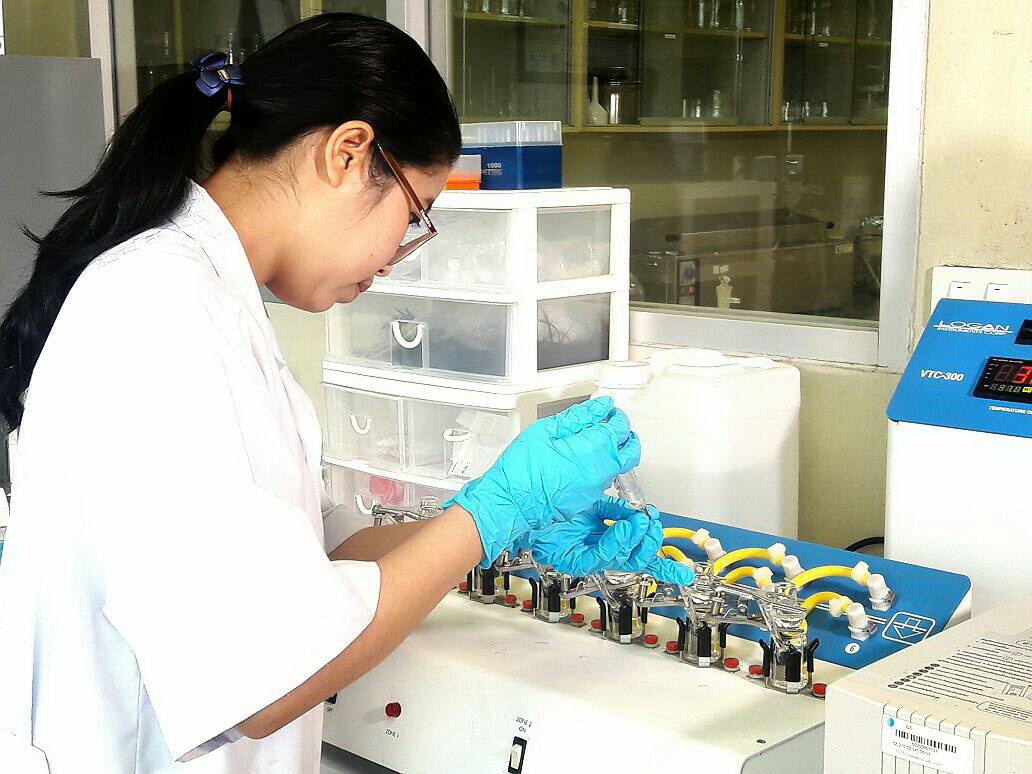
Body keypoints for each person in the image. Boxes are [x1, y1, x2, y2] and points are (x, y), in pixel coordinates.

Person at [0, 13, 693, 774]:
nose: (398, 256)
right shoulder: (161, 307)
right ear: (347, 152)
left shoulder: (209, 295)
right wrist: (494, 512)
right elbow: (265, 674)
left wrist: (506, 530)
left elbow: (316, 562)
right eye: (414, 215)